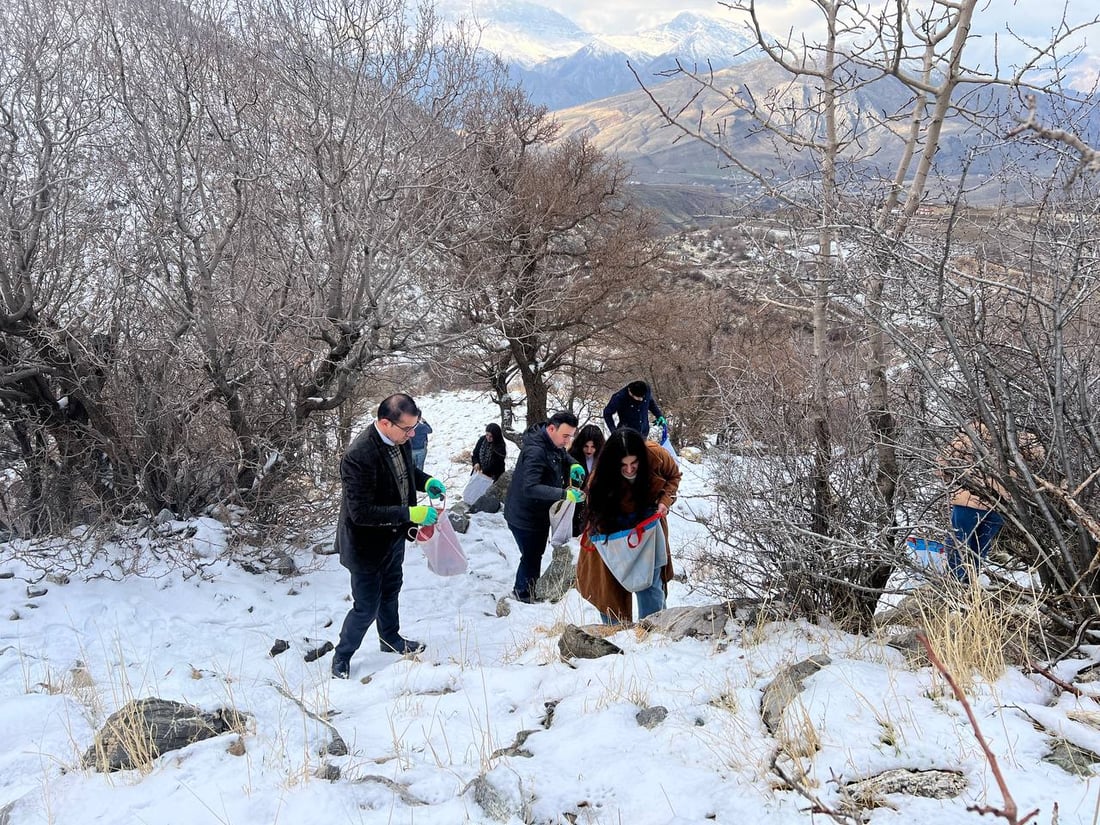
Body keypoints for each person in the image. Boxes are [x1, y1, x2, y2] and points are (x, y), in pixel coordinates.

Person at [330, 393, 447, 679]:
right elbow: (361, 513)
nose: (412, 434)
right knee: (366, 607)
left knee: (392, 590)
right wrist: (410, 513)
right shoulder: (359, 456)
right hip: (365, 546)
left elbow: (405, 473)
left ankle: (390, 638)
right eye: (407, 428)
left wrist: (426, 481)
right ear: (385, 423)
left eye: (415, 427)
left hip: (393, 537)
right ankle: (342, 656)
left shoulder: (400, 439)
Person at [576, 427, 681, 624]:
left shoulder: (656, 455)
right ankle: (615, 636)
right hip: (611, 533)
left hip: (648, 529)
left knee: (651, 586)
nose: (630, 470)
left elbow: (673, 476)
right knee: (610, 592)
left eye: (634, 463)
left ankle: (653, 632)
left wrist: (664, 501)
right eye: (623, 465)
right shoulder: (600, 477)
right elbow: (596, 514)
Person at [937, 419, 1044, 584]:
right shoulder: (1018, 434)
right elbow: (1040, 458)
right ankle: (970, 582)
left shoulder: (970, 432)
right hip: (999, 504)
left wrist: (954, 482)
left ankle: (956, 584)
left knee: (958, 543)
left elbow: (941, 464)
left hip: (968, 501)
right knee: (980, 548)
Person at [503, 411, 584, 603]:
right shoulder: (536, 451)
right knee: (531, 555)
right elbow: (530, 487)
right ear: (551, 429)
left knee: (534, 554)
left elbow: (562, 455)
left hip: (538, 512)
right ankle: (523, 593)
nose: (568, 441)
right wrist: (564, 494)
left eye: (571, 436)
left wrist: (573, 464)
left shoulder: (551, 442)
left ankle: (528, 590)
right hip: (525, 516)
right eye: (565, 436)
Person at [567, 423, 606, 536]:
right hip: (576, 507)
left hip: (596, 507)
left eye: (593, 447)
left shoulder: (604, 459)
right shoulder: (572, 457)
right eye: (586, 446)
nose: (589, 450)